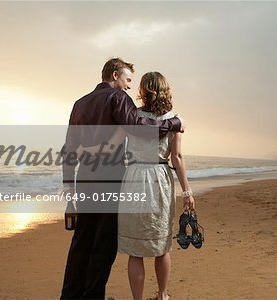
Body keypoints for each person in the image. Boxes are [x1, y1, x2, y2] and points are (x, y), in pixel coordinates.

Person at [60, 59, 185, 300]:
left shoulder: (79, 103)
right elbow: (139, 127)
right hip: (113, 178)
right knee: (103, 244)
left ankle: (69, 295)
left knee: (81, 241)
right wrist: (174, 123)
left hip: (84, 179)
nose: (129, 86)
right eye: (127, 80)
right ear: (115, 75)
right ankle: (92, 296)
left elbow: (69, 148)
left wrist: (69, 187)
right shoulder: (118, 99)